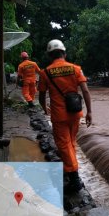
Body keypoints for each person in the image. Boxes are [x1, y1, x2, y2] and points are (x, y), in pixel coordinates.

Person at [38, 39, 92, 193]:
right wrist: (90, 112)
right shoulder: (76, 69)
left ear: (50, 55)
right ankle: (72, 166)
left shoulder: (45, 72)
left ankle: (74, 178)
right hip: (75, 113)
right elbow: (85, 91)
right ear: (64, 53)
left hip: (59, 115)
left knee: (63, 144)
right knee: (71, 142)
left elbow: (41, 96)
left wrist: (44, 108)